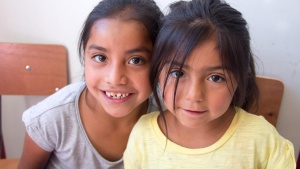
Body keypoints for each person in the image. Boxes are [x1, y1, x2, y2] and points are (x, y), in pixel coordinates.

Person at [123, 0, 296, 168]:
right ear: (158, 69)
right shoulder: (143, 137)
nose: (194, 95)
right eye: (178, 73)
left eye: (215, 78)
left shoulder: (263, 141)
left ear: (240, 77)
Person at [17, 0, 162, 168]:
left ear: (159, 62)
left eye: (136, 60)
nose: (114, 78)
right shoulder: (52, 118)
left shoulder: (168, 118)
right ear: (84, 56)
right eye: (100, 57)